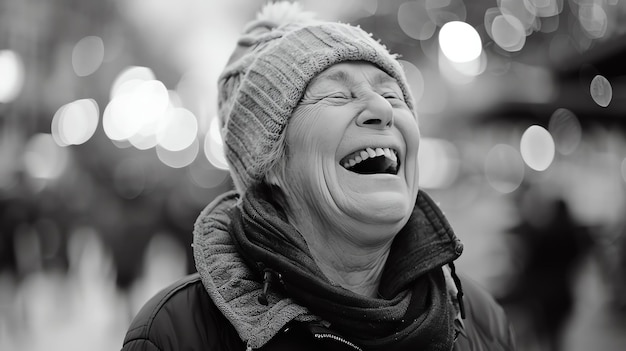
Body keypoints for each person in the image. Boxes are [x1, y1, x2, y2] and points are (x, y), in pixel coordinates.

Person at [121, 2, 515, 350]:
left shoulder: (479, 319)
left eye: (394, 96)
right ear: (271, 163)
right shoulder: (176, 333)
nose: (382, 109)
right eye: (338, 95)